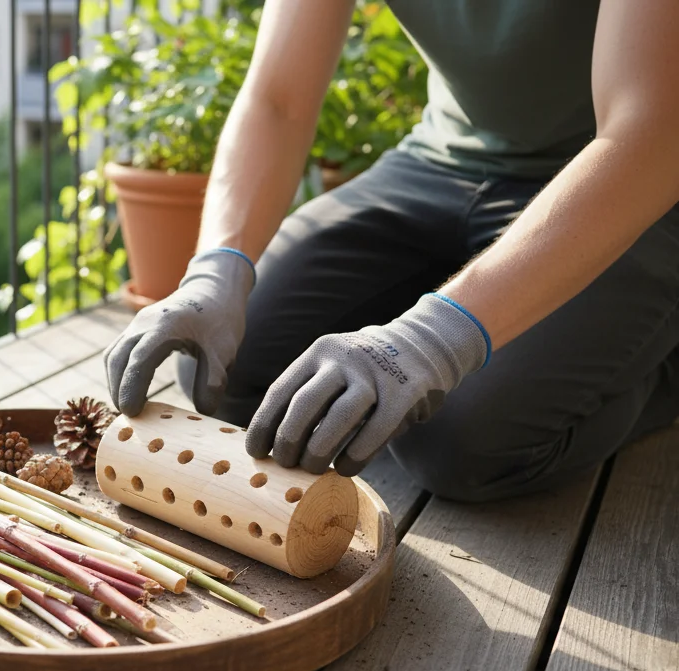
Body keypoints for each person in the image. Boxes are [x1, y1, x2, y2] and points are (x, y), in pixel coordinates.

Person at [103, 0, 679, 502]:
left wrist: (428, 338)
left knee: (457, 442)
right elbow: (278, 100)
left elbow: (647, 132)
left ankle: (660, 363)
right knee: (223, 368)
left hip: (627, 186)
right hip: (439, 163)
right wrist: (215, 273)